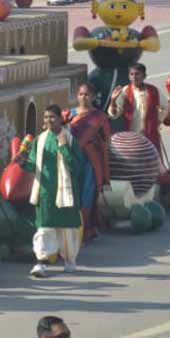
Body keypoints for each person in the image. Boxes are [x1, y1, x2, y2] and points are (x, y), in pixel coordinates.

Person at [21, 106, 85, 277]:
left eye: (52, 117)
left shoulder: (70, 140)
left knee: (68, 231)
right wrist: (22, 162)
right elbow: (34, 165)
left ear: (60, 119)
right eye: (46, 117)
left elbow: (76, 167)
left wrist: (63, 147)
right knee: (44, 229)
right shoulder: (39, 140)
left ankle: (70, 260)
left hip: (66, 194)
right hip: (45, 193)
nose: (49, 120)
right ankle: (41, 263)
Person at [65, 83, 110, 239]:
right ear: (77, 96)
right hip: (71, 159)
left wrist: (95, 142)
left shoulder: (99, 116)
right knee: (71, 191)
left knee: (88, 193)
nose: (83, 97)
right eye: (81, 94)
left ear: (93, 97)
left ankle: (85, 228)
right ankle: (71, 227)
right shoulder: (68, 115)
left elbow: (106, 140)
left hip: (91, 160)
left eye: (87, 95)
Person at [107, 62, 164, 159]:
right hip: (132, 137)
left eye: (137, 74)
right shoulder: (125, 91)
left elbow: (165, 107)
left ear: (144, 76)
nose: (134, 77)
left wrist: (158, 121)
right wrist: (113, 100)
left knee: (153, 163)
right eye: (131, 74)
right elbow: (114, 114)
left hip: (150, 135)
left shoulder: (154, 90)